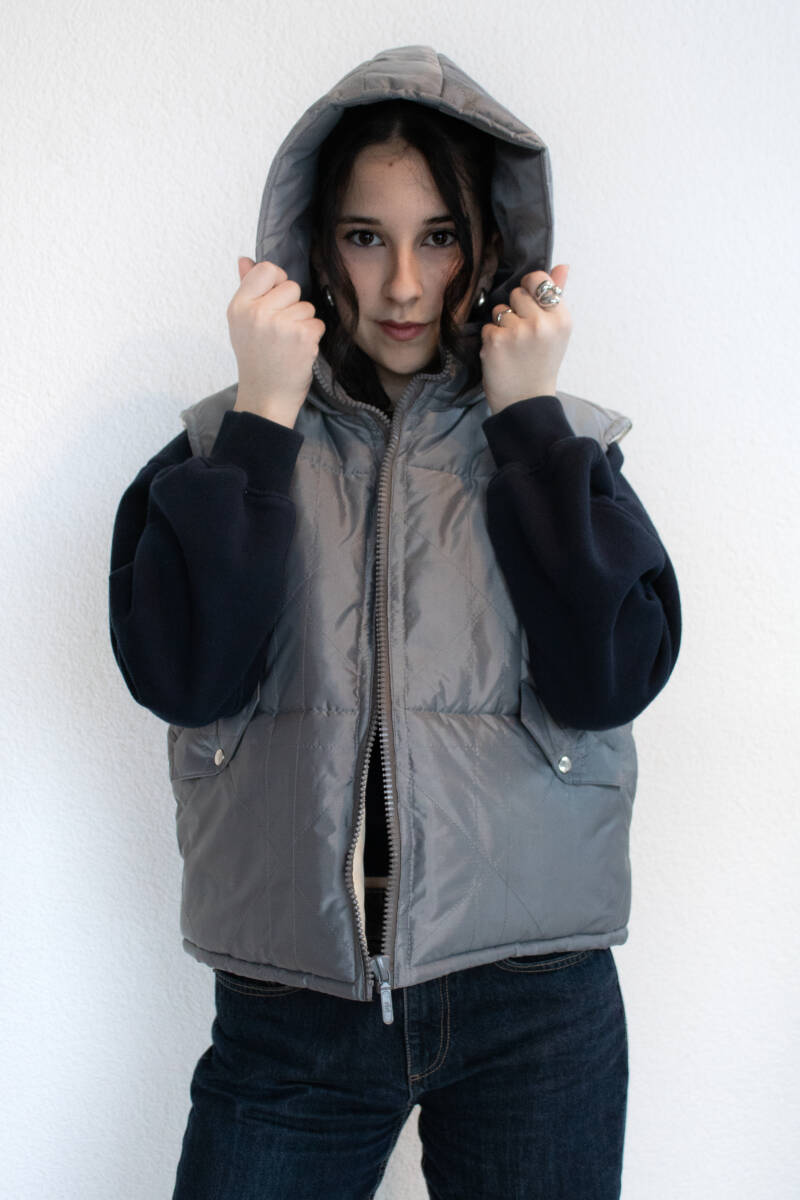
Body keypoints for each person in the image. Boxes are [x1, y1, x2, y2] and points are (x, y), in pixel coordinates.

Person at [108, 44, 681, 1200]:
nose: (405, 285)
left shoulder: (561, 450)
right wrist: (263, 418)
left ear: (493, 248)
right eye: (367, 237)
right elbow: (182, 676)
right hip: (290, 1008)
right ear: (313, 249)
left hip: (534, 999)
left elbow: (606, 680)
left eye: (440, 237)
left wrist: (529, 427)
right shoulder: (222, 450)